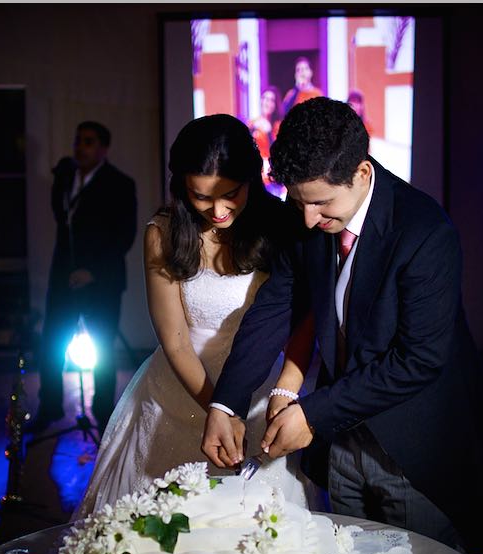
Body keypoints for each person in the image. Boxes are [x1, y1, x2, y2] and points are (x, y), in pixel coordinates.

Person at [202, 97, 483, 554]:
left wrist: (311, 413)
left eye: (322, 203)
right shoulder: (307, 213)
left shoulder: (426, 232)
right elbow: (274, 309)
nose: (308, 219)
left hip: (415, 447)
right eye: (299, 201)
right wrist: (225, 403)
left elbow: (419, 361)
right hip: (342, 438)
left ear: (362, 174)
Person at [73, 114, 321, 520]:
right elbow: (173, 338)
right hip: (181, 386)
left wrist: (271, 396)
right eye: (201, 196)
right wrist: (220, 409)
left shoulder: (282, 225)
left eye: (231, 193)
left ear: (252, 177)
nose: (218, 210)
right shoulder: (163, 233)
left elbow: (302, 317)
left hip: (259, 386)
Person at [32, 122, 138, 435]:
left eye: (88, 142)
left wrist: (92, 271)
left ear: (103, 148)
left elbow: (125, 235)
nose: (80, 147)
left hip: (101, 281)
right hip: (64, 277)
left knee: (103, 349)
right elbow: (61, 218)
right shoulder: (65, 176)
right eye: (78, 141)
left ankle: (103, 412)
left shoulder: (120, 183)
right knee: (51, 344)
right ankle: (49, 406)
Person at [247, 86, 283, 196]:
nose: (267, 102)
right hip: (255, 177)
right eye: (265, 98)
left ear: (275, 105)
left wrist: (268, 133)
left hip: (272, 180)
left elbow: (279, 152)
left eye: (271, 100)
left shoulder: (278, 125)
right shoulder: (252, 123)